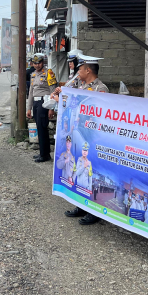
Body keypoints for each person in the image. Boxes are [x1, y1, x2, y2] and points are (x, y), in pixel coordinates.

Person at [62, 55, 106, 224]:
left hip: (92, 137)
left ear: (88, 70)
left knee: (91, 174)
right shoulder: (80, 87)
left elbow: (101, 115)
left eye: (79, 69)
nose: (77, 72)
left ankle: (94, 211)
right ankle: (81, 205)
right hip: (79, 135)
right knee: (79, 170)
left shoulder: (101, 89)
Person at [26, 54, 57, 163]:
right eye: (35, 63)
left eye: (39, 62)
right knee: (39, 127)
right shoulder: (33, 74)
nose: (37, 65)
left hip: (44, 102)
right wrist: (29, 108)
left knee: (42, 128)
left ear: (43, 62)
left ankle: (45, 155)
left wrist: (51, 108)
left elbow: (53, 91)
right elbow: (31, 92)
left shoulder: (48, 73)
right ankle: (43, 152)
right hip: (36, 102)